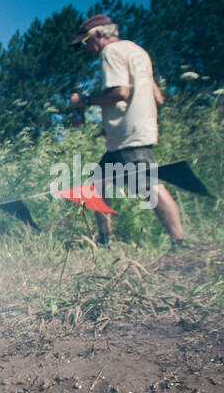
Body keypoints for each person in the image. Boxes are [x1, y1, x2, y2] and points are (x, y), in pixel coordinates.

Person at [68, 13, 186, 246]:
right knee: (95, 185)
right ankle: (103, 241)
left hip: (129, 137)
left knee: (150, 186)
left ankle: (180, 241)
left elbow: (121, 92)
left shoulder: (109, 53)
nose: (85, 49)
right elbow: (158, 97)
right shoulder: (137, 51)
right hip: (130, 133)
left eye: (85, 42)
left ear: (99, 35)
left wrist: (85, 101)